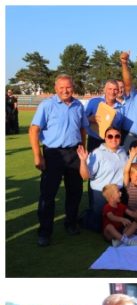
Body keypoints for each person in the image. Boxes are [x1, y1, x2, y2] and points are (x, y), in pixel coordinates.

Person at [29, 74, 88, 247]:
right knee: (48, 194)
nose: (65, 90)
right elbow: (33, 131)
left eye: (68, 87)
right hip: (53, 154)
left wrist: (82, 149)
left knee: (75, 192)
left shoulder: (78, 106)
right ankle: (45, 231)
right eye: (61, 87)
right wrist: (37, 156)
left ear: (73, 87)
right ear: (55, 88)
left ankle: (71, 223)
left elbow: (83, 129)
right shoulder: (47, 105)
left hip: (74, 153)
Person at [77, 126, 128, 233]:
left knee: (117, 224)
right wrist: (83, 161)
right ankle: (85, 217)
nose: (113, 139)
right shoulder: (97, 153)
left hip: (118, 192)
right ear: (105, 138)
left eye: (117, 136)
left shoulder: (123, 152)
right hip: (101, 192)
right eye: (110, 136)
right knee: (98, 226)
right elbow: (85, 176)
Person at [85, 80, 126, 153]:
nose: (112, 92)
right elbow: (82, 120)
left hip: (111, 142)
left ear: (118, 91)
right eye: (110, 89)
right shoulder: (94, 102)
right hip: (94, 141)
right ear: (105, 90)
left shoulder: (121, 108)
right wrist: (90, 119)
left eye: (115, 89)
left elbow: (119, 128)